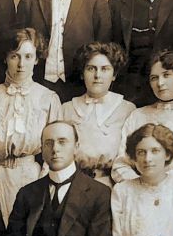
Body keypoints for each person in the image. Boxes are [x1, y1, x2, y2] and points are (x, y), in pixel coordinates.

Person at [0, 28, 62, 221]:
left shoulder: (49, 99)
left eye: (28, 56)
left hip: (33, 180)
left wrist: (45, 189)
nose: (21, 64)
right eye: (14, 56)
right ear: (5, 58)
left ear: (36, 59)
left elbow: (54, 152)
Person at [112, 49, 173, 186]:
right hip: (138, 191)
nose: (160, 83)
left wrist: (162, 181)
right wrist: (139, 185)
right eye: (154, 78)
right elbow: (121, 164)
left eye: (166, 75)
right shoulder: (138, 116)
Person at [58, 42, 135, 186]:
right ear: (82, 74)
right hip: (73, 184)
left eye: (105, 69)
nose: (97, 75)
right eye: (91, 68)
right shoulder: (66, 108)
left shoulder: (127, 109)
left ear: (114, 75)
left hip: (111, 185)